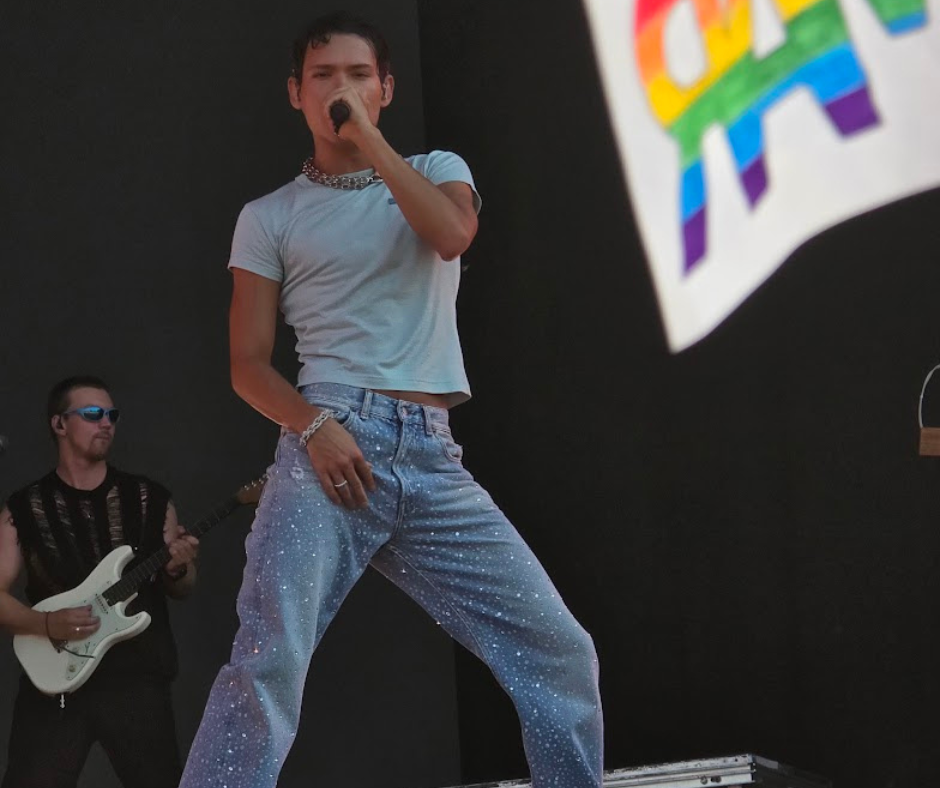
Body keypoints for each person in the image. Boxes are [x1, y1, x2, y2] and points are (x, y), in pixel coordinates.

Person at [180, 11, 603, 788]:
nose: (339, 90)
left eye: (356, 75)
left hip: (433, 456)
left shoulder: (437, 167)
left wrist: (370, 144)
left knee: (560, 651)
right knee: (270, 659)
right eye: (322, 77)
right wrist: (314, 426)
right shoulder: (269, 217)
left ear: (386, 88)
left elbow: (451, 234)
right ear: (295, 93)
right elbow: (247, 366)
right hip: (331, 441)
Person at [0, 376, 199, 788]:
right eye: (93, 414)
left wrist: (179, 568)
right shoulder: (23, 509)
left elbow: (181, 588)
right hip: (55, 678)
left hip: (137, 680)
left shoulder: (150, 499)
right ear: (59, 424)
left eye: (112, 414)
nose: (106, 423)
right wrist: (45, 623)